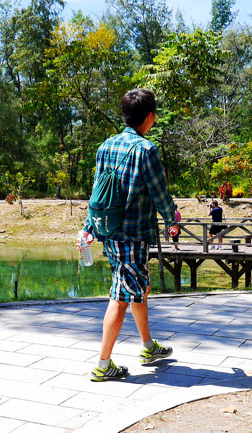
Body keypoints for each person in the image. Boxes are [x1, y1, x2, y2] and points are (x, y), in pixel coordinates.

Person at [81, 88, 180, 382]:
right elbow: (159, 192)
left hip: (109, 232)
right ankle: (103, 364)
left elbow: (98, 193)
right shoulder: (145, 150)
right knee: (120, 297)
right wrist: (172, 218)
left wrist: (88, 227)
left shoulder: (105, 147)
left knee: (139, 285)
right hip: (132, 235)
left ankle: (148, 346)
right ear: (149, 117)